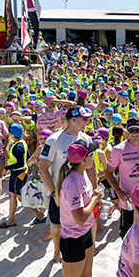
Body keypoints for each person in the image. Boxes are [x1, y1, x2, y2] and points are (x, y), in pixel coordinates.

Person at [39, 106, 94, 262]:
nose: (87, 122)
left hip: (81, 191)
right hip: (59, 192)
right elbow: (43, 169)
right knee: (56, 225)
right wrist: (53, 192)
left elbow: (92, 166)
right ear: (73, 119)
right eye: (84, 119)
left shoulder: (87, 139)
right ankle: (57, 251)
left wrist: (95, 189)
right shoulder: (54, 140)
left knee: (82, 224)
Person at [55, 140, 102, 277]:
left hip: (85, 233)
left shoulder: (82, 174)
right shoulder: (73, 181)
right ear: (83, 160)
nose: (93, 157)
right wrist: (94, 200)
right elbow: (80, 218)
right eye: (91, 154)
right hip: (72, 239)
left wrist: (95, 198)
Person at [106, 117, 139, 238]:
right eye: (131, 130)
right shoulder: (118, 150)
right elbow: (108, 172)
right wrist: (119, 192)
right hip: (127, 200)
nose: (134, 133)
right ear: (126, 131)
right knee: (127, 236)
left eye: (137, 130)